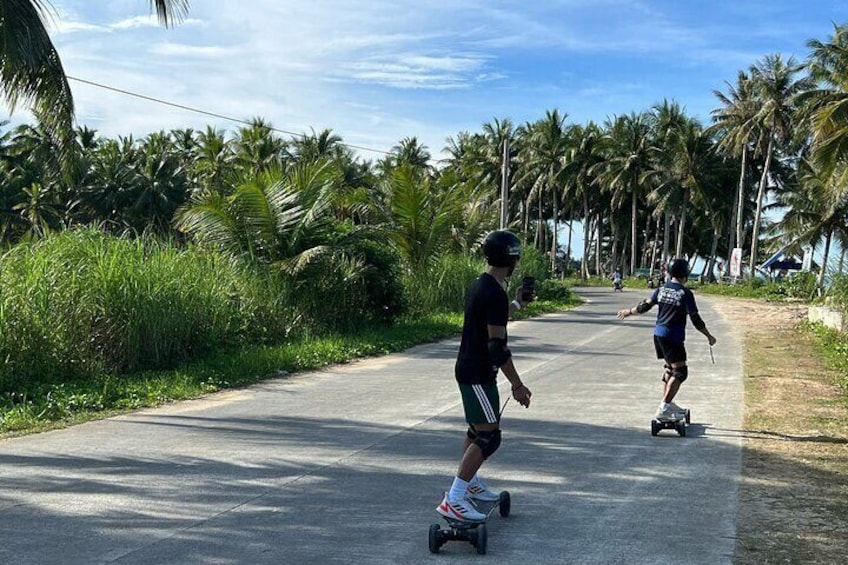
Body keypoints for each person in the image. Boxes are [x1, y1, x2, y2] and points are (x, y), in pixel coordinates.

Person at [436, 229, 533, 522]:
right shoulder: (493, 293)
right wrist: (517, 384)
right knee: (489, 438)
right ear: (513, 259)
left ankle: (472, 485)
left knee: (478, 431)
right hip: (478, 372)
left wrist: (517, 304)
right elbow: (496, 347)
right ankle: (454, 498)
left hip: (470, 368)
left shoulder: (483, 285)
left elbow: (492, 319)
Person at [615, 258, 717, 421]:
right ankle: (664, 407)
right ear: (685, 274)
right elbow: (695, 319)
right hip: (673, 337)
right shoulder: (685, 293)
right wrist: (709, 336)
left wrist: (629, 311)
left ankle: (668, 405)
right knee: (680, 372)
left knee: (670, 370)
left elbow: (644, 306)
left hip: (659, 334)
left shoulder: (661, 290)